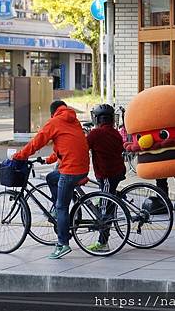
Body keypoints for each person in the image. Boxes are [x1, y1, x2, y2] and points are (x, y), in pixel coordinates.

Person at [12, 100, 89, 259]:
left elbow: (37, 142)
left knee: (62, 207)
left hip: (70, 171)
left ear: (52, 113)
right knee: (51, 177)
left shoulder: (55, 121)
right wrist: (49, 160)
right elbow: (67, 146)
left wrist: (19, 156)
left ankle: (63, 244)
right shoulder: (74, 121)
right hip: (82, 168)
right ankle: (57, 208)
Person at [86, 104, 126, 252]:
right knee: (106, 199)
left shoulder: (95, 134)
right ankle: (105, 201)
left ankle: (103, 242)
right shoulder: (115, 133)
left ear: (96, 119)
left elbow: (83, 148)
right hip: (117, 171)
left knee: (105, 212)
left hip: (107, 174)